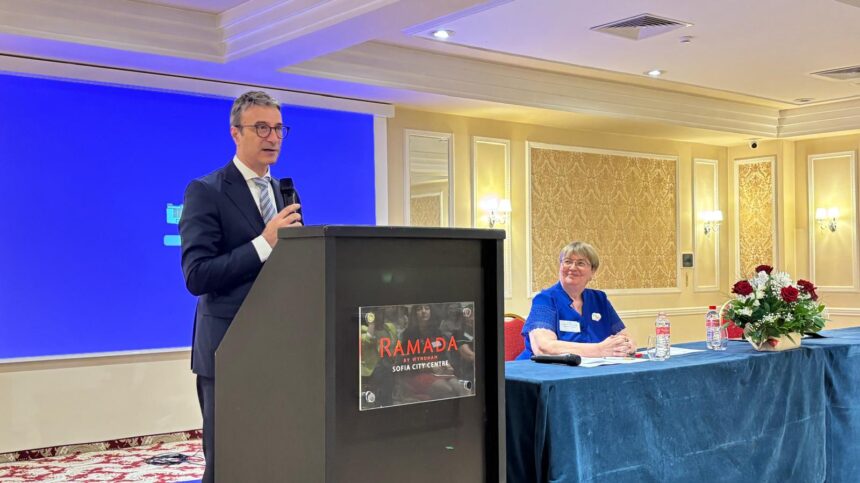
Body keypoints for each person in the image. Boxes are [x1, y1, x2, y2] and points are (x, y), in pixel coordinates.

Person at [179, 90, 302, 482]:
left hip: (279, 347)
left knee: (274, 456)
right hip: (228, 350)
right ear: (236, 133)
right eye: (261, 128)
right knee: (229, 462)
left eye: (278, 129)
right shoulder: (206, 191)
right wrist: (264, 243)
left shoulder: (285, 193)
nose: (273, 137)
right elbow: (197, 275)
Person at [516, 241, 636, 360]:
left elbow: (625, 337)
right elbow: (543, 348)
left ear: (592, 271)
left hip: (592, 367)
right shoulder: (544, 300)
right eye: (567, 262)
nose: (572, 267)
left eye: (580, 263)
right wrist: (599, 350)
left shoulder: (599, 299)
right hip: (540, 369)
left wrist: (628, 345)